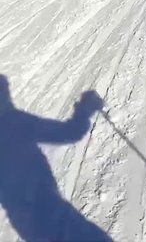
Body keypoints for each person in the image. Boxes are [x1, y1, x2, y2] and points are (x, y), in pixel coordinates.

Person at [0, 74, 112, 241]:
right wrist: (85, 109)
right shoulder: (13, 122)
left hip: (25, 223)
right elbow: (71, 132)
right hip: (47, 211)